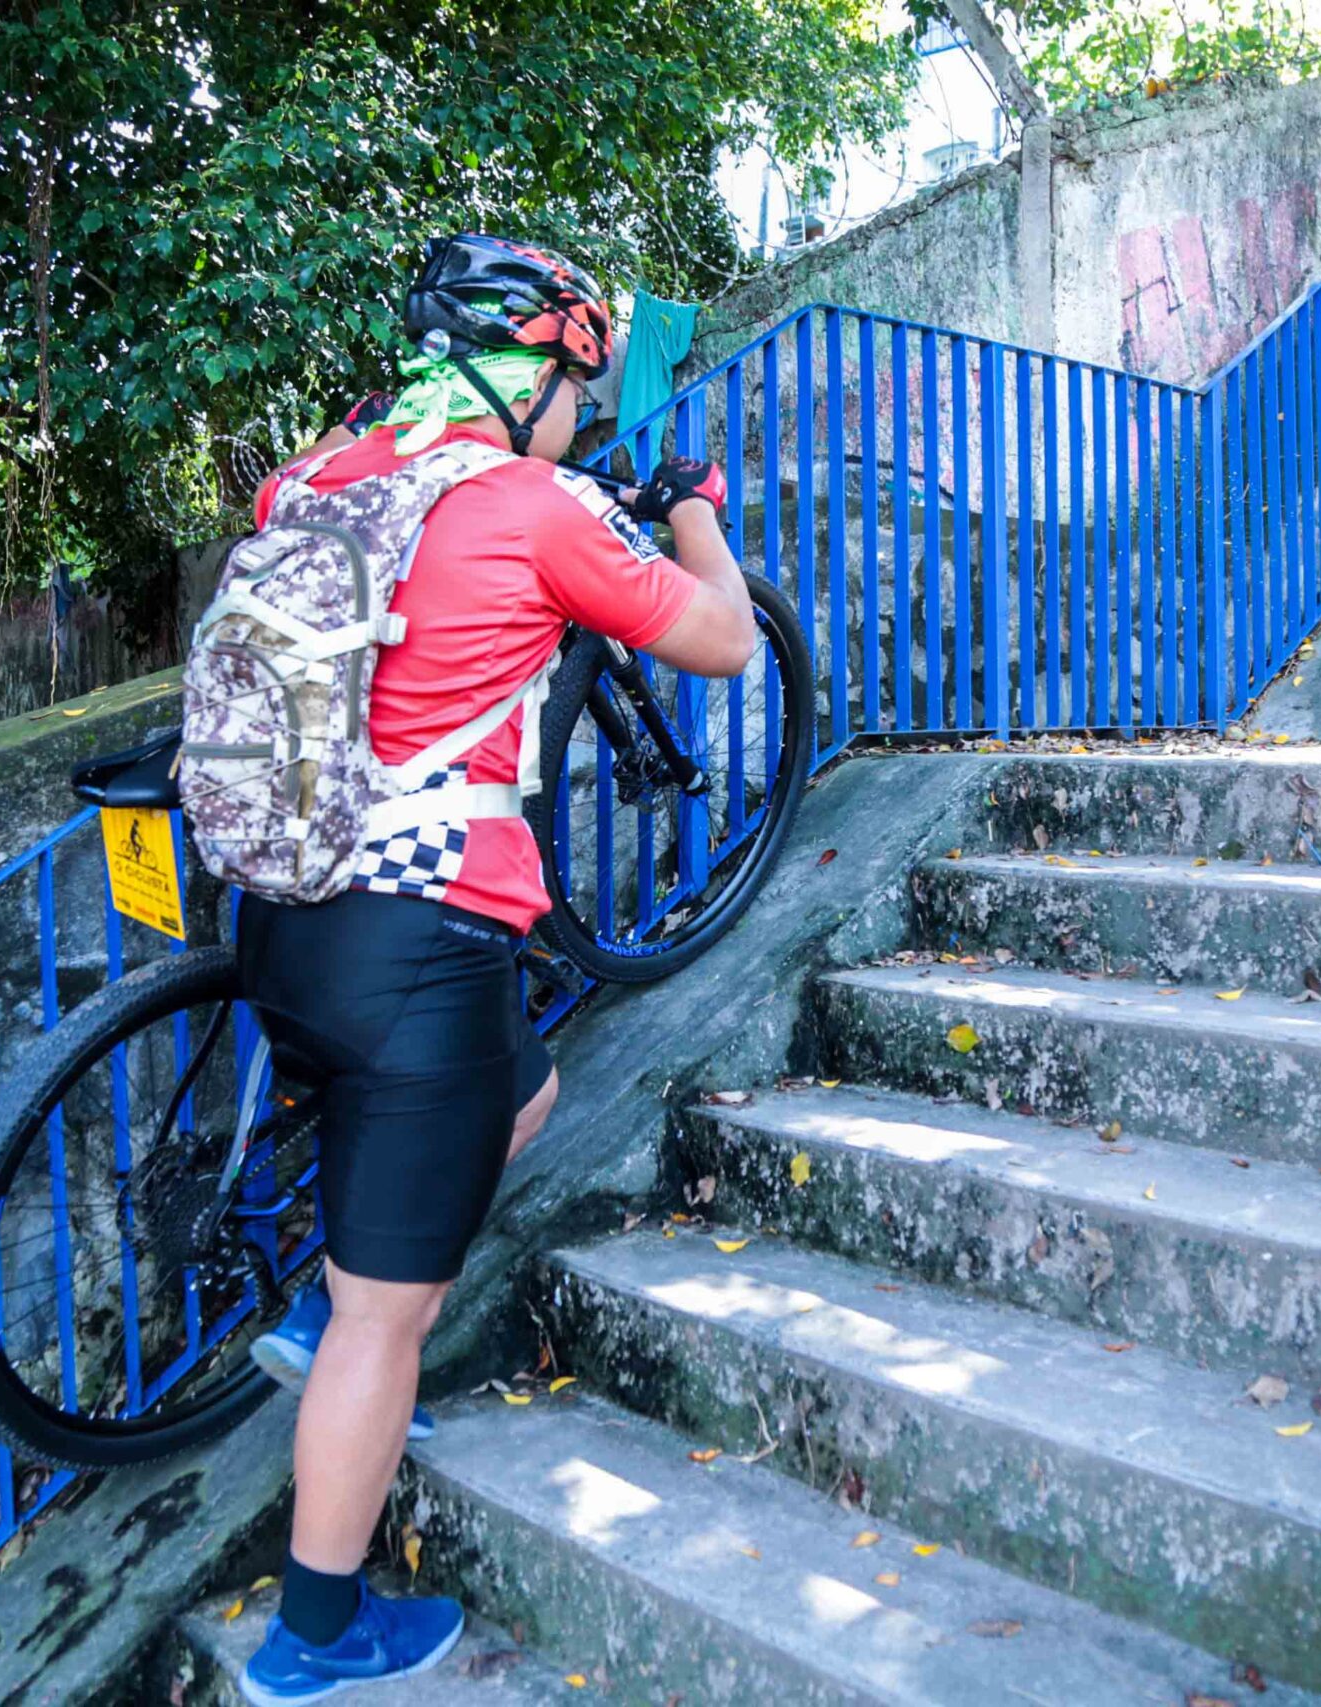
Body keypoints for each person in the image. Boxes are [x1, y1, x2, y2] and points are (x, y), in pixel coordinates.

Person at [233, 233, 754, 1705]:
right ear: (530, 378)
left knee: (516, 1088)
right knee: (385, 1323)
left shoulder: (310, 481)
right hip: (427, 943)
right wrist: (699, 517)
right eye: (576, 391)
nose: (582, 418)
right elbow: (719, 641)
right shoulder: (531, 504)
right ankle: (315, 1638)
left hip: (285, 918)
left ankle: (314, 1304)